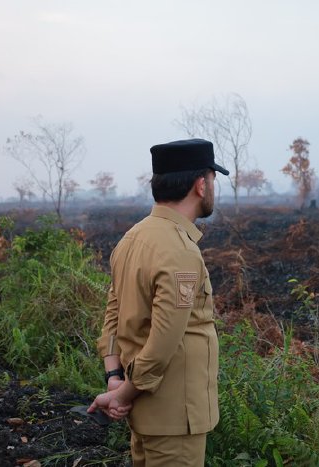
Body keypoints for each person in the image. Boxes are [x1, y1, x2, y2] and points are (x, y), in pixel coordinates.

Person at [89, 138, 227, 466]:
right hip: (176, 419)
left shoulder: (132, 239)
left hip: (148, 416)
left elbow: (114, 315)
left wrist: (114, 375)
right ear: (200, 185)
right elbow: (164, 341)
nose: (212, 188)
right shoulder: (179, 251)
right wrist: (122, 394)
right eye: (212, 180)